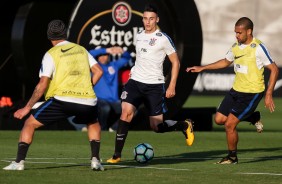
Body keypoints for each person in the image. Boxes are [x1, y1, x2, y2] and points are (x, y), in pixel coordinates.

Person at [3, 19, 105, 171]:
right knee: (93, 122)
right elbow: (99, 71)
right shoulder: (81, 49)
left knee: (29, 124)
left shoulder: (51, 54)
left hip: (62, 100)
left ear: (49, 37)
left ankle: (18, 163)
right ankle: (96, 160)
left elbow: (42, 85)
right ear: (66, 34)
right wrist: (86, 87)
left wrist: (27, 107)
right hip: (87, 100)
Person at [106, 4, 195, 164]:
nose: (148, 22)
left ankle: (184, 125)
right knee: (125, 113)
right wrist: (134, 70)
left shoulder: (163, 38)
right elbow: (141, 58)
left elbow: (175, 62)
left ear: (157, 20)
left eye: (151, 19)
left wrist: (172, 85)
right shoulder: (139, 36)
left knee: (157, 126)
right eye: (145, 18)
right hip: (135, 82)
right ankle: (116, 155)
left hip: (154, 85)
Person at [186, 17, 279, 164]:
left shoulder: (258, 48)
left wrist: (268, 94)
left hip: (252, 93)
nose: (236, 35)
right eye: (235, 32)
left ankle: (232, 157)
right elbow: (225, 61)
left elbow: (274, 69)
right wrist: (202, 68)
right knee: (219, 120)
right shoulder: (236, 45)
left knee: (229, 124)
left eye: (239, 32)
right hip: (236, 90)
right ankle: (252, 117)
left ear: (249, 31)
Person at [89, 46, 131, 132]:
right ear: (98, 57)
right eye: (101, 55)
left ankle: (114, 128)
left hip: (114, 100)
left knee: (130, 109)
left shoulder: (114, 65)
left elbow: (127, 57)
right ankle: (102, 129)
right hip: (100, 99)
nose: (103, 57)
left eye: (105, 55)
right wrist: (106, 50)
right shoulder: (95, 67)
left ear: (108, 56)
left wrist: (122, 51)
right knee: (105, 108)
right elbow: (88, 54)